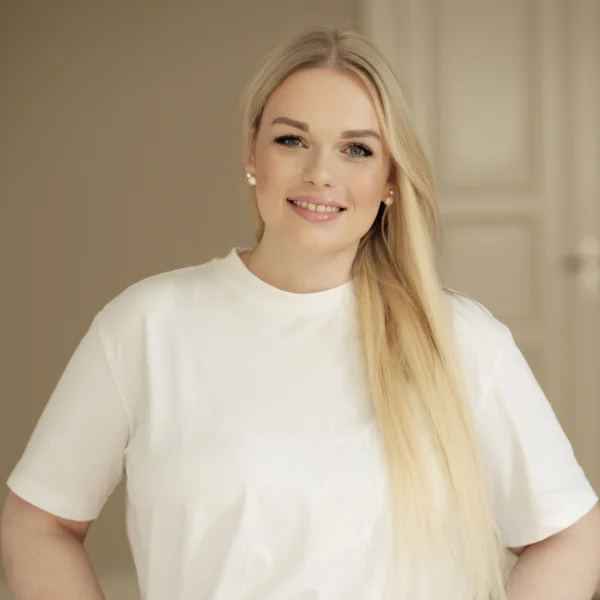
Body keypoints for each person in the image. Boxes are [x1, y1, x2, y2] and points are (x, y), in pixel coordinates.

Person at [1, 27, 599, 600]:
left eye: (357, 149)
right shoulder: (147, 326)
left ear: (390, 179)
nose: (320, 174)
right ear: (252, 153)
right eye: (292, 140)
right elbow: (37, 523)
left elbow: (572, 535)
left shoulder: (460, 340)